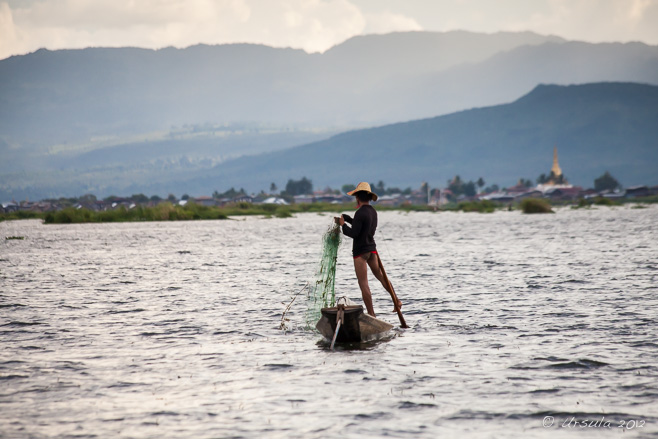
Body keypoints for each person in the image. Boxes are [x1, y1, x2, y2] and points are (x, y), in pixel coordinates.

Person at [335, 182, 402, 317]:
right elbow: (362, 227)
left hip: (361, 252)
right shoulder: (373, 212)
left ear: (357, 198)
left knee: (363, 284)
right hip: (372, 251)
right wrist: (349, 220)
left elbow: (354, 234)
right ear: (369, 198)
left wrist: (343, 225)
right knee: (382, 277)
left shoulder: (360, 213)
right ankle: (397, 300)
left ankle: (371, 314)